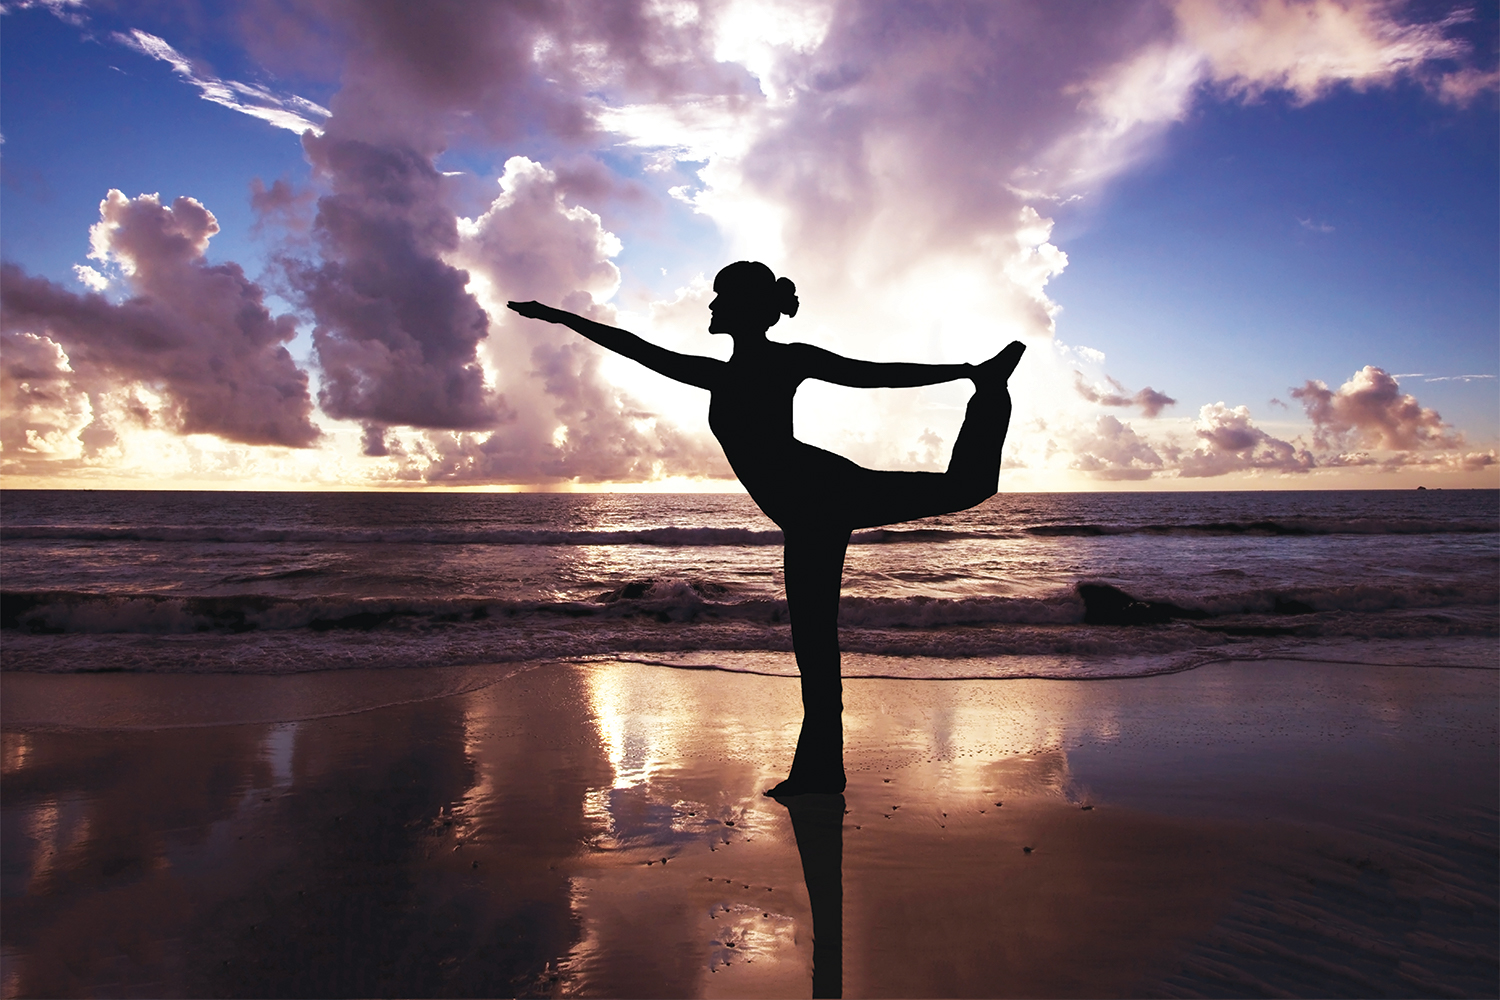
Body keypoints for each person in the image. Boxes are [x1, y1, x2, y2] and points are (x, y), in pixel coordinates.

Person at [509, 261, 1023, 796]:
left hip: (819, 494)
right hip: (806, 508)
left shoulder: (786, 361)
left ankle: (990, 389)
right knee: (814, 641)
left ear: (744, 309)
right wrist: (556, 316)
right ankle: (820, 771)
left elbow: (874, 373)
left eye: (718, 299)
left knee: (956, 496)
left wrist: (964, 372)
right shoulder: (718, 373)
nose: (709, 308)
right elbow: (632, 345)